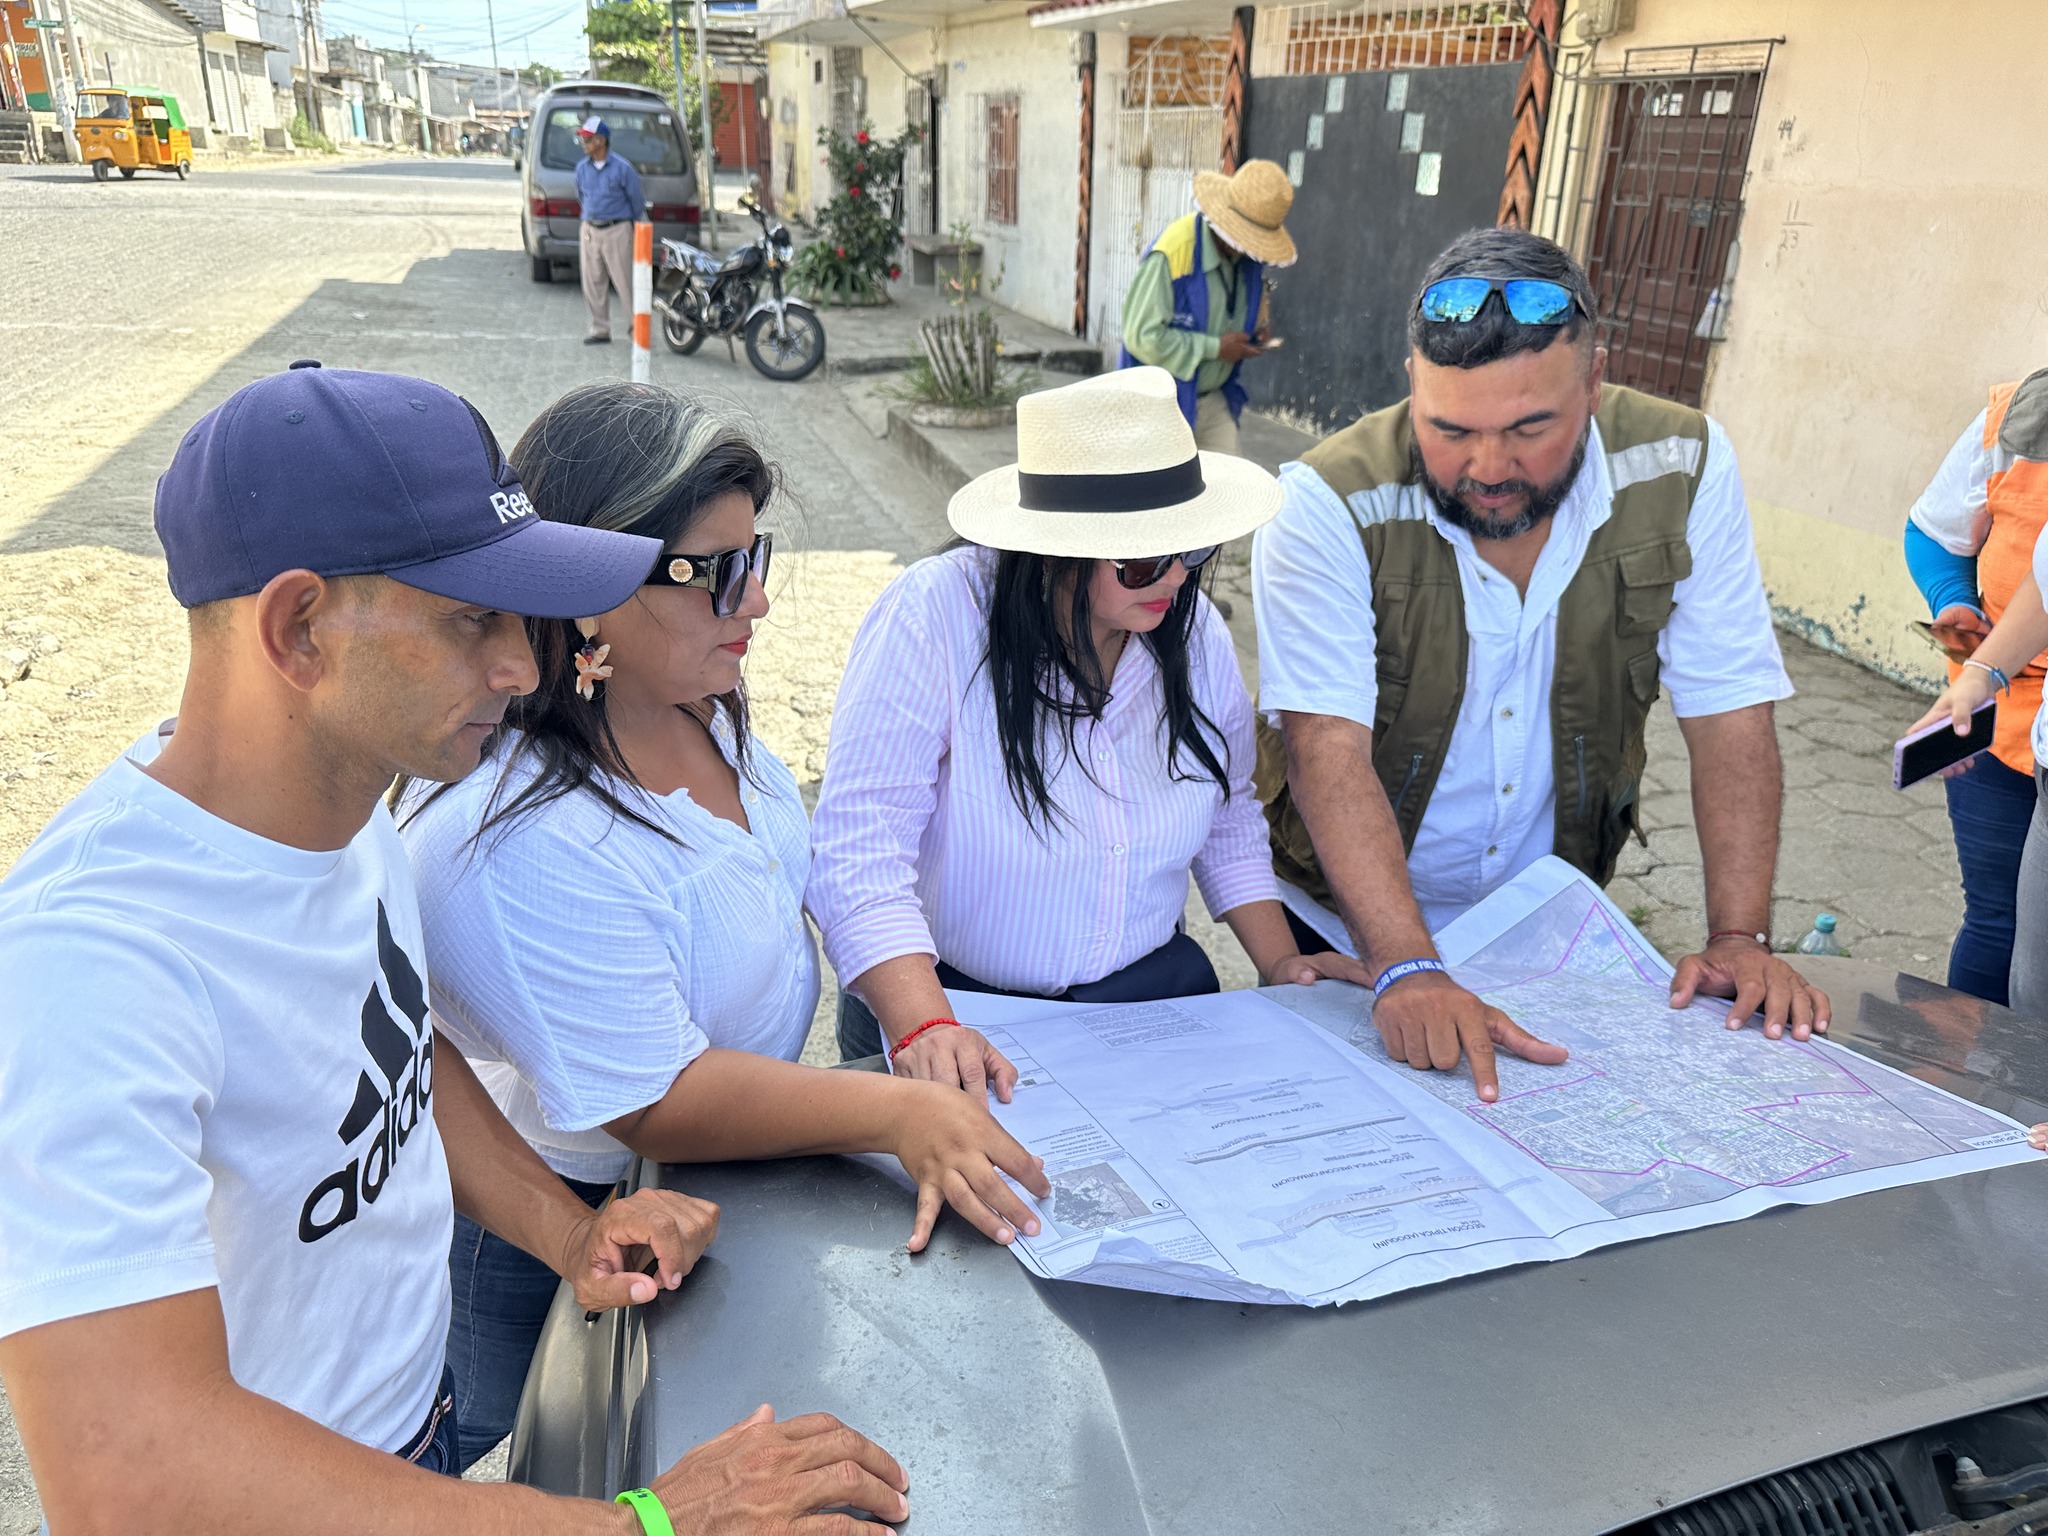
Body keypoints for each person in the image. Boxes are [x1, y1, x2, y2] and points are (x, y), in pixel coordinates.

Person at [0, 362, 912, 1534]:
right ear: (297, 628)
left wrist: (567, 1231)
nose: (524, 668)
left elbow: (398, 1049)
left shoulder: (345, 814)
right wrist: (649, 1524)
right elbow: (132, 1478)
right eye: (471, 619)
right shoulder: (90, 967)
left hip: (401, 1444)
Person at [398, 380, 1050, 1470]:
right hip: (564, 1214)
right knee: (534, 1461)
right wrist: (892, 1111)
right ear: (590, 588)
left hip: (719, 1180)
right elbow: (655, 1098)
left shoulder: (687, 706)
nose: (757, 602)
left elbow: (792, 865)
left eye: (758, 558)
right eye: (717, 573)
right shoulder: (512, 840)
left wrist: (915, 1013)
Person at [1252, 227, 1831, 1104]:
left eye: (1530, 428)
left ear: (1594, 382)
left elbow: (1731, 709)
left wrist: (1738, 937)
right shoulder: (1324, 502)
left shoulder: (1684, 464)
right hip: (1346, 930)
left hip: (1551, 926)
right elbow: (1325, 748)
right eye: (1450, 430)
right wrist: (1404, 965)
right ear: (1411, 383)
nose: (1489, 468)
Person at [808, 365, 1371, 1093]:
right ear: (1054, 551)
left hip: (1138, 1011)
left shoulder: (1193, 633)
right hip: (950, 1009)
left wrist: (1280, 960)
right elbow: (860, 850)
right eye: (1144, 561)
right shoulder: (935, 618)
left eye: (1193, 549)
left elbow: (1229, 815)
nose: (1176, 578)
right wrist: (924, 1027)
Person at [1901, 366, 2048, 1003]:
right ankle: (1974, 1063)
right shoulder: (2017, 416)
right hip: (2001, 721)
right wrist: (1955, 604)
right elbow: (1933, 534)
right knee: (1998, 920)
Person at [1118, 158, 1296, 456]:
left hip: (1214, 398)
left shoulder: (1246, 259)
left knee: (1234, 481)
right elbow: (1141, 337)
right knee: (1166, 484)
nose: (1251, 249)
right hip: (1162, 404)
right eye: (1250, 238)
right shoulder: (1173, 254)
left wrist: (1255, 334)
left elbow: (1233, 313)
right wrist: (1215, 348)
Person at [574, 115, 644, 346]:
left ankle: (638, 330)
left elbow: (636, 201)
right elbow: (581, 196)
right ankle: (600, 329)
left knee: (625, 282)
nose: (584, 143)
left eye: (588, 139)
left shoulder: (623, 169)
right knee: (592, 282)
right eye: (583, 138)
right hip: (590, 230)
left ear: (601, 141)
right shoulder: (581, 168)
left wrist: (631, 228)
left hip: (617, 229)